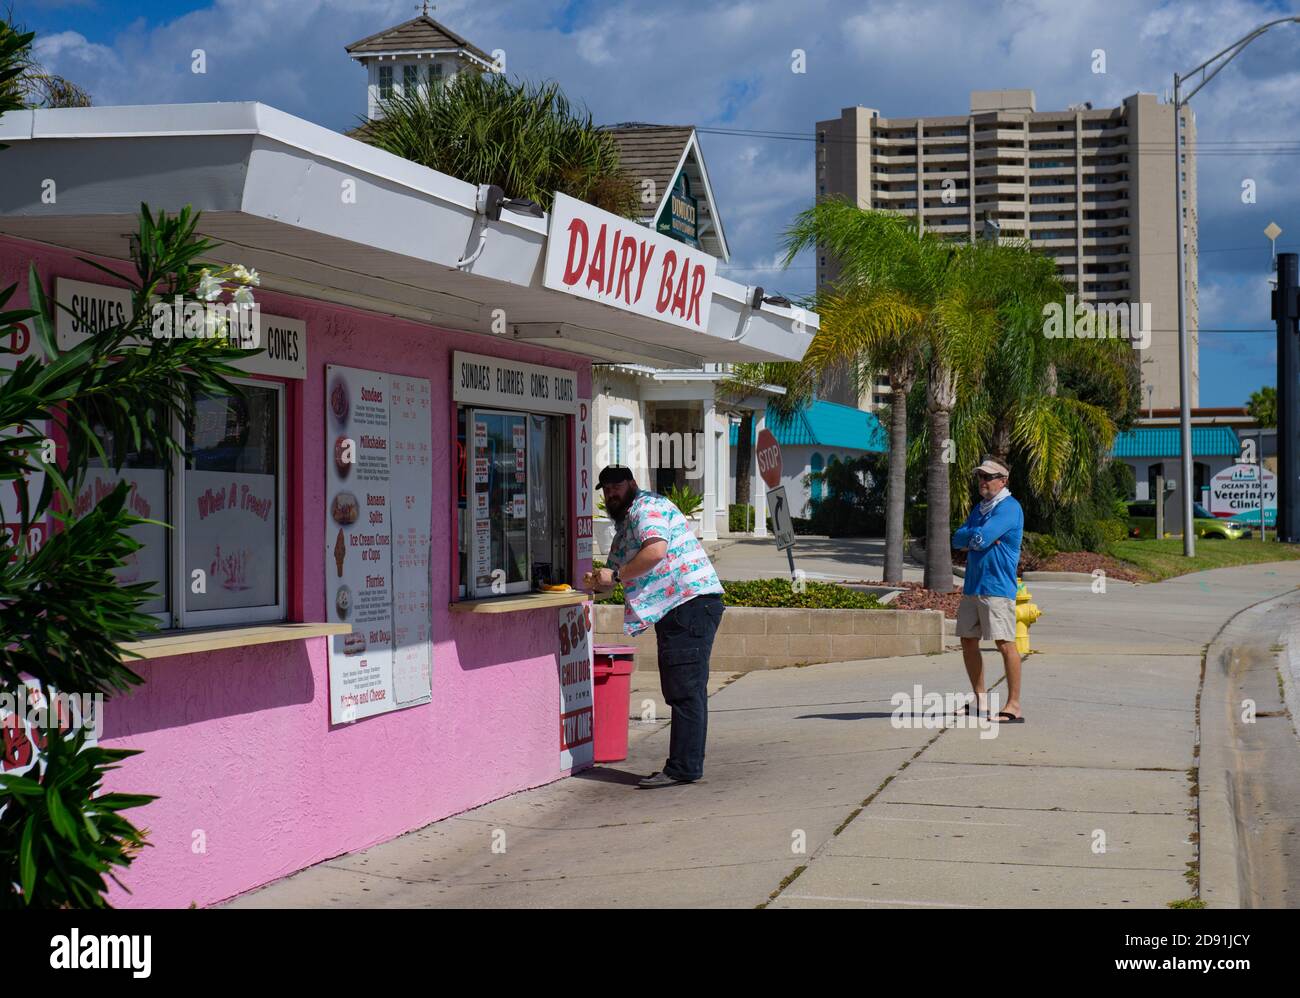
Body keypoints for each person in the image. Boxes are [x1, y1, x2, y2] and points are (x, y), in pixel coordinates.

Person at [584, 466, 725, 787]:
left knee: (685, 691)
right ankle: (684, 766)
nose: (611, 494)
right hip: (682, 607)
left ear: (633, 484)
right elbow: (614, 573)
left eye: (617, 487)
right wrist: (599, 580)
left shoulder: (647, 508)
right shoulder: (629, 521)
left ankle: (683, 768)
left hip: (688, 605)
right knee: (684, 690)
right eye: (606, 490)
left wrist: (616, 576)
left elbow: (656, 550)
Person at [951, 458, 1025, 723]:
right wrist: (973, 537)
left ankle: (1013, 705)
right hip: (973, 585)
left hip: (997, 588)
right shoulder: (980, 509)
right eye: (980, 476)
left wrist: (973, 538)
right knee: (967, 640)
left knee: (1005, 644)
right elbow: (957, 538)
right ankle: (980, 699)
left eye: (989, 477)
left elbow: (978, 540)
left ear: (1003, 481)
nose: (983, 481)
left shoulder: (1009, 508)